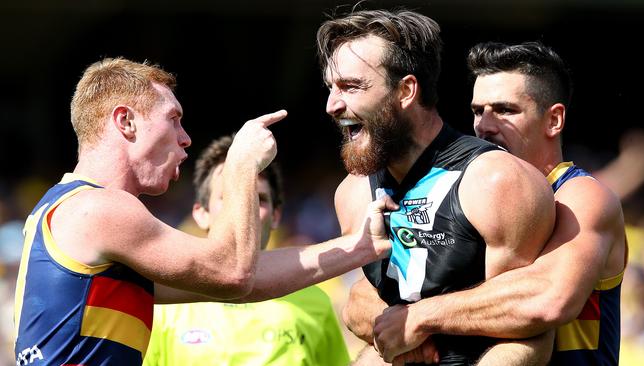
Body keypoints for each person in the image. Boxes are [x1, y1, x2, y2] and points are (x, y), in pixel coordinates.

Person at [13, 57, 394, 365]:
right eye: (173, 118)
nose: (186, 137)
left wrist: (359, 245)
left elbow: (246, 282)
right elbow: (233, 272)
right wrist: (241, 165)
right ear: (125, 121)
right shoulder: (98, 208)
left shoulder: (69, 208)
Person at [344, 41, 628, 365]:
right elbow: (361, 299)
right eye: (478, 111)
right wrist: (411, 328)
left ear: (554, 120)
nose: (484, 126)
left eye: (505, 110)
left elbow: (548, 298)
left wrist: (419, 318)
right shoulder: (468, 194)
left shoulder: (579, 197)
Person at [316, 9, 556, 365]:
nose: (332, 105)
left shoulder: (496, 181)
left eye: (351, 87)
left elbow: (522, 318)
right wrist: (393, 326)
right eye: (331, 89)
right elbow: (362, 301)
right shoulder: (351, 194)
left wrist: (418, 322)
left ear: (406, 90)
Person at [143, 135, 350, 365]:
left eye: (258, 199)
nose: (246, 208)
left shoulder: (316, 300)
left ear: (276, 216)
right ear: (201, 213)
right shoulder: (166, 303)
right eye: (230, 197)